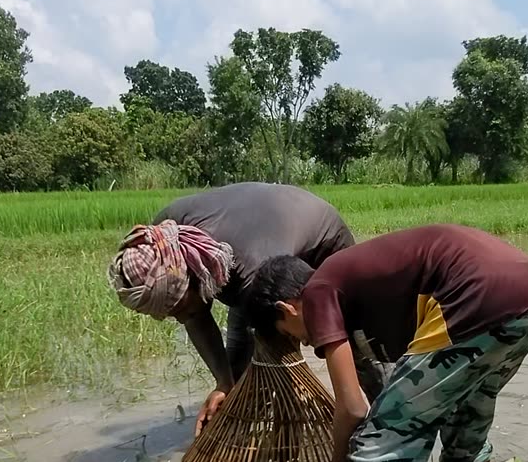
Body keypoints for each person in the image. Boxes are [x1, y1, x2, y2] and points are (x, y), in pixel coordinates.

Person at [247, 224, 528, 462]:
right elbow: (386, 386)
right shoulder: (352, 290)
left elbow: (353, 408)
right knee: (465, 418)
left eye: (293, 335)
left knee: (372, 456)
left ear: (288, 308)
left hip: (476, 295)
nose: (307, 343)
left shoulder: (317, 291)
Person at [107, 182, 386, 435]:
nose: (178, 317)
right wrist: (224, 383)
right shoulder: (161, 246)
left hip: (320, 239)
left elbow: (282, 354)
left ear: (195, 277)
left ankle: (387, 421)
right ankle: (246, 421)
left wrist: (287, 420)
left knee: (354, 342)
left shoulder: (250, 269)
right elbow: (194, 314)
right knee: (238, 364)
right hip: (256, 240)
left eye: (178, 307)